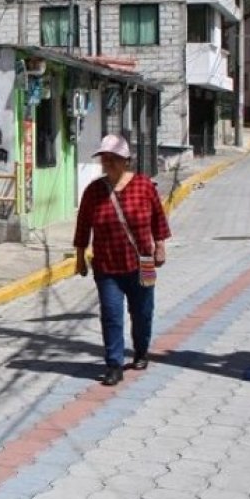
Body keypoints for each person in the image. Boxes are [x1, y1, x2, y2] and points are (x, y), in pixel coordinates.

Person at [74, 134, 171, 387]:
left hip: (142, 263)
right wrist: (79, 257)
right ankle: (114, 364)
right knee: (111, 315)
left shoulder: (144, 186)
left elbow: (158, 218)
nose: (108, 163)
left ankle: (140, 350)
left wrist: (160, 245)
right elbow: (83, 225)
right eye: (105, 158)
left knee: (142, 313)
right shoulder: (94, 191)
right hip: (107, 266)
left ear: (126, 160)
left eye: (113, 158)